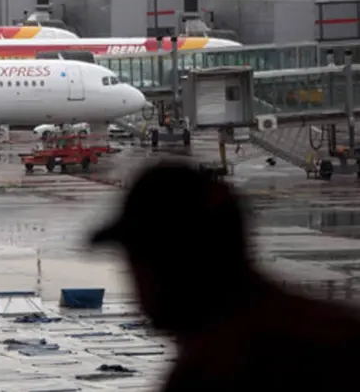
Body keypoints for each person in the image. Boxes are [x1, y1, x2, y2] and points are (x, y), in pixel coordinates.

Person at [88, 158, 360, 391]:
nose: (137, 285)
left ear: (173, 265)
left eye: (138, 260)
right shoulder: (335, 332)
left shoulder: (217, 368)